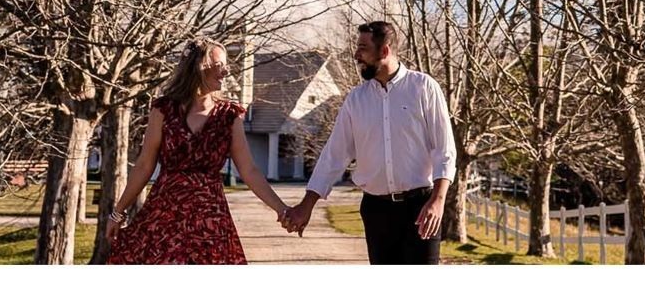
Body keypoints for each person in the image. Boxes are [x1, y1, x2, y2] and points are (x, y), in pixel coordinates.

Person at [96, 37, 289, 265]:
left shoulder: (229, 115)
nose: (226, 72)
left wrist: (281, 209)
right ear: (198, 67)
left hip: (210, 221)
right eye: (219, 65)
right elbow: (144, 166)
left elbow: (249, 170)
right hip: (165, 216)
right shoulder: (163, 110)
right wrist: (118, 212)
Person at [280, 20, 456, 265]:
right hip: (376, 212)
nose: (356, 55)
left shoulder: (423, 88)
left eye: (362, 48)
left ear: (384, 51)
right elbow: (334, 155)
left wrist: (437, 201)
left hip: (420, 208)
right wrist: (306, 205)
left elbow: (444, 150)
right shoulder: (356, 100)